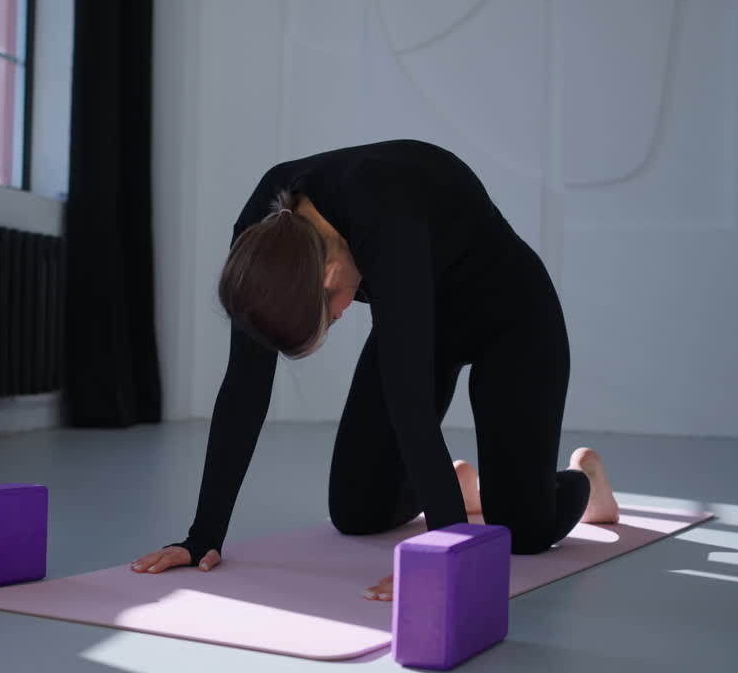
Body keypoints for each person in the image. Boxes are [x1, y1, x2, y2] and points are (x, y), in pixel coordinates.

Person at [130, 139, 620, 602]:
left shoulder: (389, 220)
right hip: (421, 322)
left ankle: (584, 480)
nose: (342, 318)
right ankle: (464, 488)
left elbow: (411, 405)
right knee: (357, 513)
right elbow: (244, 386)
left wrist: (443, 555)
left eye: (332, 316)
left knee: (523, 533)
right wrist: (203, 537)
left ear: (328, 276)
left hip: (512, 321)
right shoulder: (267, 231)